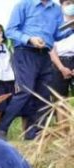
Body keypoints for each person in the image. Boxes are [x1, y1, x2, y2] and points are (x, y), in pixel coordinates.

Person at [0, 0, 74, 140]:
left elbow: (57, 35)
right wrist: (29, 39)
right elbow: (10, 31)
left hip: (45, 55)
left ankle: (35, 134)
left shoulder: (56, 9)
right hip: (25, 51)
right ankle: (2, 128)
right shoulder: (23, 5)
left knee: (43, 95)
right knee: (26, 91)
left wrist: (71, 28)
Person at [49, 0, 74, 135]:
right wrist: (61, 67)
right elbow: (51, 48)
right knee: (60, 99)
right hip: (59, 62)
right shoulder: (55, 23)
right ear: (62, 5)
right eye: (67, 3)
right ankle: (64, 133)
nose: (71, 6)